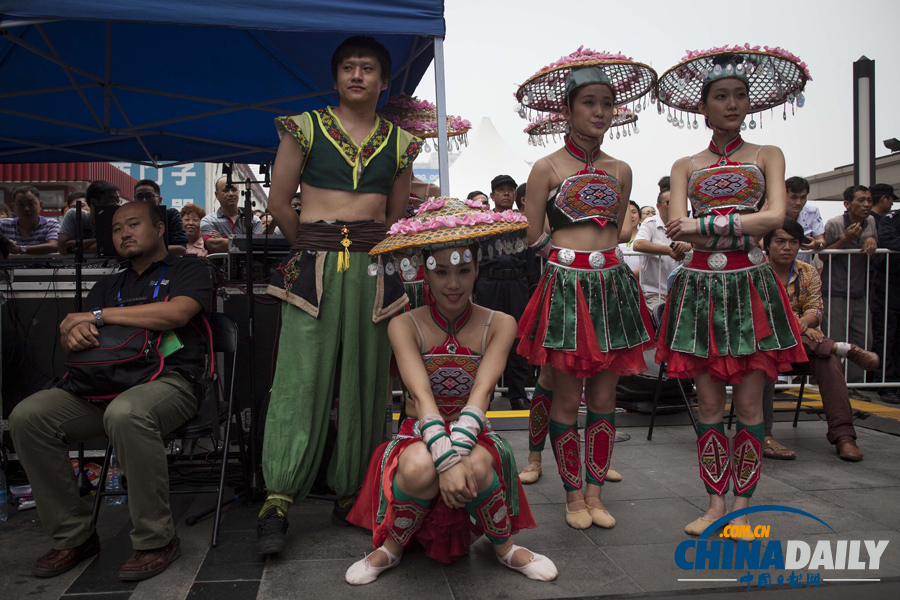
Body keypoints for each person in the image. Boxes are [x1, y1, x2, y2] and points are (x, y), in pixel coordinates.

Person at [258, 35, 421, 554]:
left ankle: (355, 491)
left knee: (367, 381)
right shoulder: (302, 127)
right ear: (335, 79)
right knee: (299, 380)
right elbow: (282, 202)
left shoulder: (400, 142)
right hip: (314, 267)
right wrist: (314, 247)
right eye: (348, 67)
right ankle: (278, 499)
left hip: (373, 269)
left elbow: (394, 217)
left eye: (368, 68)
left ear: (383, 81)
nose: (357, 75)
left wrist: (362, 250)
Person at [345, 198, 556, 584]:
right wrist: (444, 459)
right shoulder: (403, 325)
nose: (453, 283)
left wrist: (455, 454)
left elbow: (481, 394)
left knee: (476, 463)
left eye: (463, 270)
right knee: (419, 464)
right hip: (417, 434)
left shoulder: (501, 324)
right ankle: (391, 547)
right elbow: (422, 397)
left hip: (475, 431)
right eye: (441, 272)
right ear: (425, 273)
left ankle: (504, 547)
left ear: (478, 270)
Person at [9, 200, 213, 581]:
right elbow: (81, 335)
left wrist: (98, 317)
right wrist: (74, 332)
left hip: (169, 382)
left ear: (159, 228)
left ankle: (156, 540)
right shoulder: (108, 284)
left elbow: (176, 314)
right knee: (28, 418)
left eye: (133, 225)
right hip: (100, 385)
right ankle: (74, 535)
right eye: (117, 229)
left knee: (127, 413)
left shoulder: (188, 269)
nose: (124, 234)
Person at [654, 46, 810, 539]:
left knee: (747, 408)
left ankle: (740, 506)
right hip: (699, 289)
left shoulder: (768, 155)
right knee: (706, 408)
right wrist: (733, 225)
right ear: (703, 107)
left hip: (750, 288)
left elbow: (775, 218)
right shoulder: (684, 163)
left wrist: (707, 225)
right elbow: (678, 229)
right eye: (720, 96)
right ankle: (713, 502)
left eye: (740, 95)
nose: (732, 104)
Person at [516, 50, 655, 529]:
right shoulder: (546, 167)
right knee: (564, 398)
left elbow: (618, 232)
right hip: (566, 289)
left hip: (612, 287)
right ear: (568, 110)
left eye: (607, 103)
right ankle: (574, 498)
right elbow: (531, 235)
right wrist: (565, 259)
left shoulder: (621, 170)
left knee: (603, 400)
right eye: (589, 103)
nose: (599, 112)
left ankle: (596, 495)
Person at [760, 219, 876, 461]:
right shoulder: (756, 272)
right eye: (780, 241)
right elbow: (764, 313)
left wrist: (805, 323)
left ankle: (844, 437)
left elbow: (815, 307)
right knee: (822, 349)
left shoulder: (807, 270)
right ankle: (842, 347)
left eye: (793, 242)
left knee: (827, 360)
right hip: (766, 348)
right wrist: (797, 322)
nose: (787, 247)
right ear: (767, 245)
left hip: (800, 349)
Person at [475, 174, 532, 410]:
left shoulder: (524, 220)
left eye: (510, 189)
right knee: (486, 337)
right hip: (489, 283)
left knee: (518, 337)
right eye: (501, 190)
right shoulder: (480, 222)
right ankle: (484, 393)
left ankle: (517, 393)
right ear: (492, 195)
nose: (506, 193)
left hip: (517, 283)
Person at [822, 185, 878, 385]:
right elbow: (822, 254)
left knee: (863, 341)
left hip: (859, 291)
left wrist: (871, 239)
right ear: (847, 204)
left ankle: (854, 386)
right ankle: (833, 385)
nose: (866, 204)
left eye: (869, 200)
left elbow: (873, 242)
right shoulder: (835, 224)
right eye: (861, 200)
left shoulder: (870, 221)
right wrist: (847, 239)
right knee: (834, 342)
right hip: (835, 290)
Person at [633, 189, 690, 310]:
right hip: (655, 292)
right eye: (670, 202)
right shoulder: (650, 223)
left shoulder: (687, 224)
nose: (675, 205)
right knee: (659, 323)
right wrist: (668, 250)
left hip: (683, 291)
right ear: (658, 206)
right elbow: (638, 244)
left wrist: (687, 247)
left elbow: (697, 243)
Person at [871, 184, 900, 404]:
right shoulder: (892, 219)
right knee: (886, 335)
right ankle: (885, 382)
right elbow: (888, 240)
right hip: (888, 287)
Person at [200, 176, 266, 253]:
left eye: (234, 190)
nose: (231, 194)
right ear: (216, 195)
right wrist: (246, 241)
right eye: (226, 190)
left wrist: (223, 239)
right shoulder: (208, 221)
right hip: (219, 264)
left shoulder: (253, 220)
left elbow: (258, 246)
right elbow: (214, 246)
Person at [57, 180, 121, 255]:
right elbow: (62, 248)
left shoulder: (118, 220)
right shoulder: (74, 215)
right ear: (93, 202)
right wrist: (101, 241)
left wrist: (78, 248)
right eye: (112, 200)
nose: (117, 205)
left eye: (118, 201)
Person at [132, 179, 188, 255]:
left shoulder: (170, 215)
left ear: (160, 200)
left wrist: (148, 248)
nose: (144, 200)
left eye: (149, 196)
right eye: (139, 197)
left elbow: (181, 248)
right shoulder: (129, 220)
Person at [0, 185, 59, 255]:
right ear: (13, 207)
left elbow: (54, 246)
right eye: (21, 205)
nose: (26, 209)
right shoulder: (3, 225)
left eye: (31, 204)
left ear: (40, 205)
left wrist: (20, 249)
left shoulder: (51, 224)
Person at [784, 176, 825, 267]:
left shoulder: (813, 211)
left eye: (803, 197)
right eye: (794, 197)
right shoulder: (772, 211)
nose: (798, 202)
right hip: (776, 267)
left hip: (803, 268)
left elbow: (821, 240)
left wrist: (817, 244)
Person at [618, 200, 642, 276]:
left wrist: (631, 275)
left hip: (641, 283)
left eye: (634, 212)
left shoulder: (644, 237)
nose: (631, 216)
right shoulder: (614, 237)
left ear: (640, 218)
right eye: (627, 213)